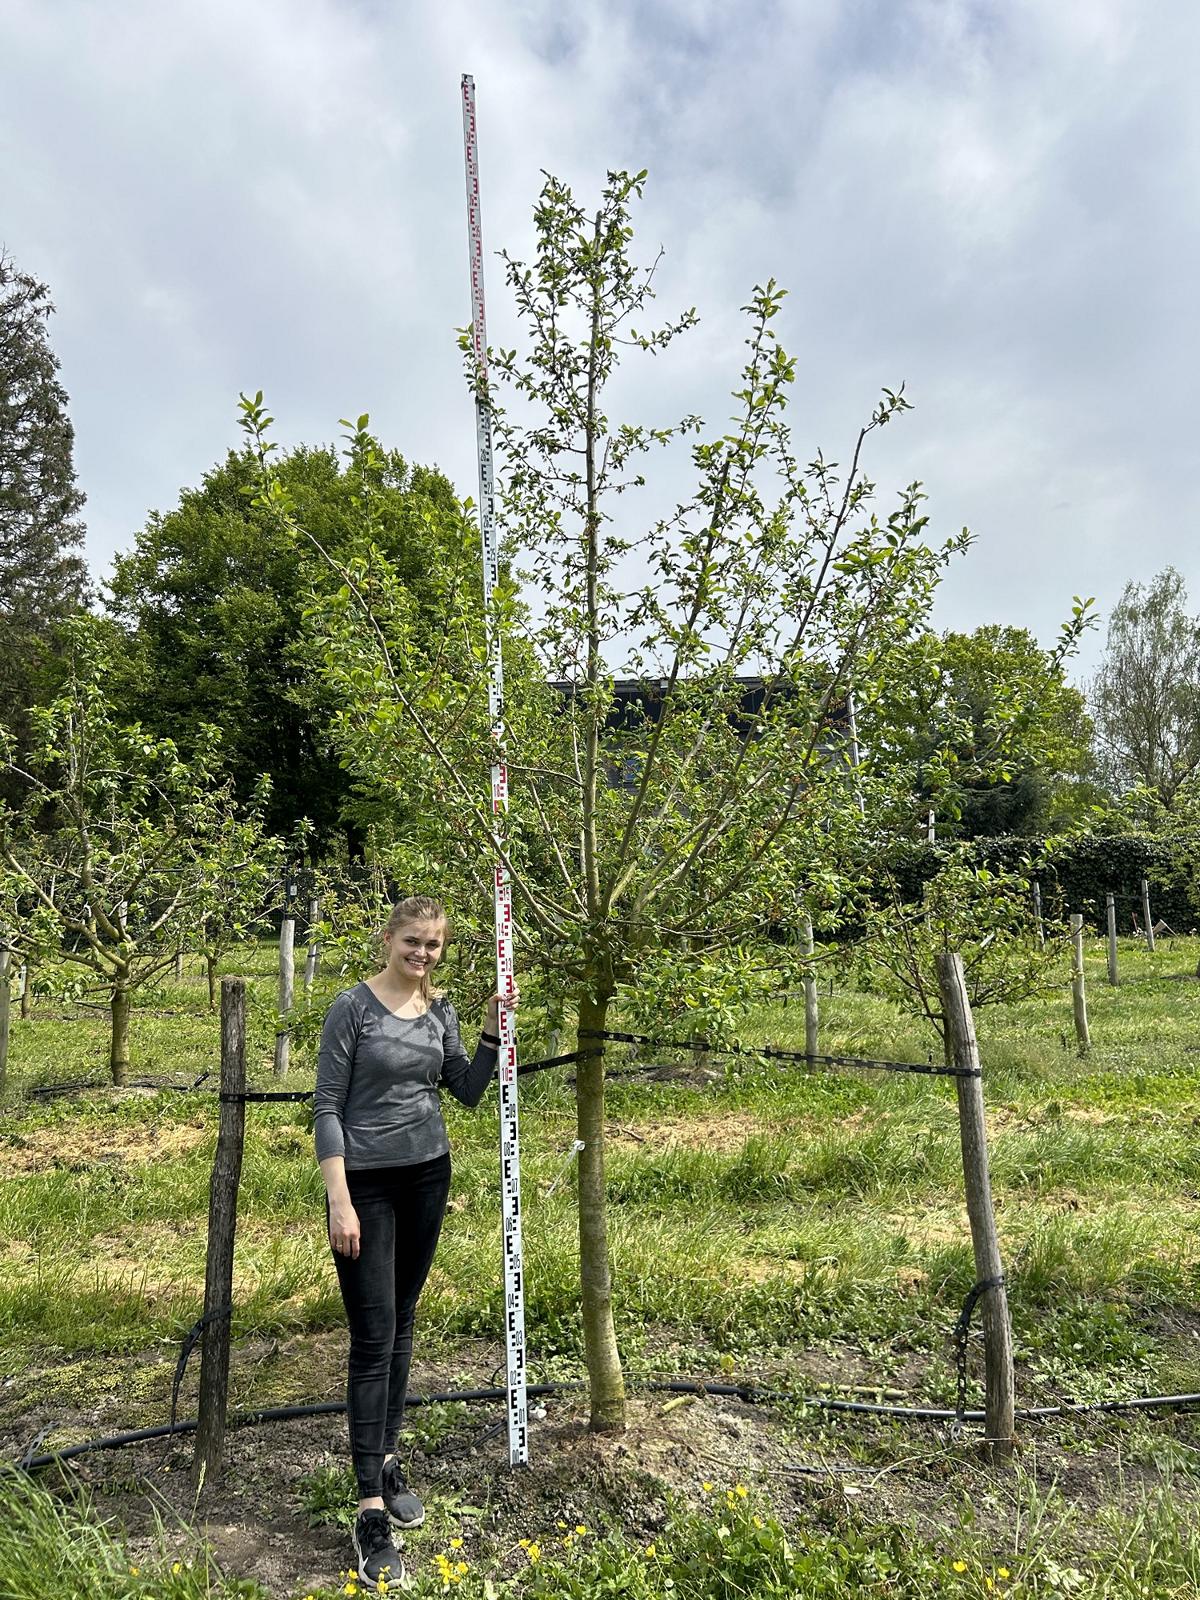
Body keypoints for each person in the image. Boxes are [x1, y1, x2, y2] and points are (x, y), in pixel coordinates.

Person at [314, 894, 513, 1591]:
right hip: (364, 1185)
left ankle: (386, 1458)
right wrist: (339, 1199)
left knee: (402, 1328)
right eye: (412, 942)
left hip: (428, 1175)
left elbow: (463, 1089)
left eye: (433, 944)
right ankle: (369, 1509)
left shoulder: (440, 1011)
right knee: (373, 1336)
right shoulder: (353, 1008)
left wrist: (490, 1036)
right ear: (388, 938)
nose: (422, 953)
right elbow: (327, 1107)